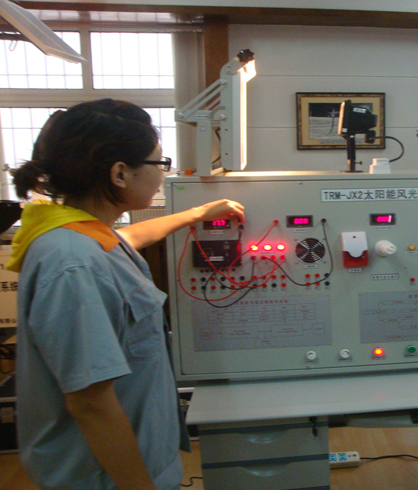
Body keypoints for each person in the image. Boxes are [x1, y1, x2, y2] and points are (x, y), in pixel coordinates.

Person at [8, 99, 245, 490]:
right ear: (120, 173)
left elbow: (129, 238)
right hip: (105, 477)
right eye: (159, 163)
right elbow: (91, 404)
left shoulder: (78, 236)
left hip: (133, 462)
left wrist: (196, 214)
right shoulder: (72, 264)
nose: (163, 174)